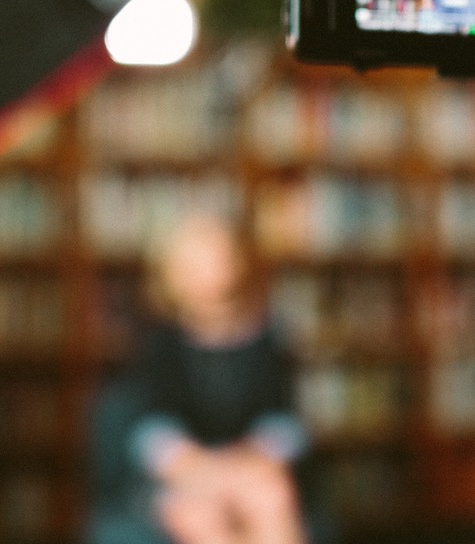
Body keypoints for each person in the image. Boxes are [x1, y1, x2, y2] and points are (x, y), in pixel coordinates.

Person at [89, 213, 312, 544]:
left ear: (235, 263)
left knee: (272, 501)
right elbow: (151, 428)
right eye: (189, 265)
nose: (202, 273)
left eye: (212, 260)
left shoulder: (268, 339)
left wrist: (250, 460)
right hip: (187, 474)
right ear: (170, 276)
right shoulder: (160, 344)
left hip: (252, 468)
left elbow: (285, 420)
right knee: (198, 517)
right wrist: (197, 468)